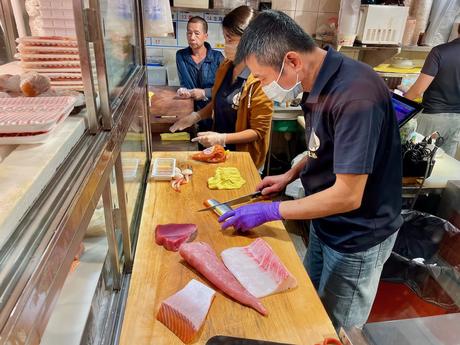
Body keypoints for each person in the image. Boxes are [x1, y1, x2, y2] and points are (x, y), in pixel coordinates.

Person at [219, 11, 403, 330]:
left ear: (291, 60)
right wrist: (289, 175)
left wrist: (272, 211)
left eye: (262, 78)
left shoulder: (354, 94)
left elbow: (348, 195)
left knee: (335, 328)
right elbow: (323, 147)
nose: (263, 88)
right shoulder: (315, 79)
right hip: (323, 222)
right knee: (308, 308)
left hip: (356, 235)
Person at [170, 6, 273, 171]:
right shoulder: (226, 66)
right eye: (225, 38)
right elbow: (218, 101)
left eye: (230, 39)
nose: (226, 45)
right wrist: (195, 116)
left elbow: (258, 131)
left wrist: (223, 138)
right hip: (220, 154)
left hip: (245, 158)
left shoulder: (262, 79)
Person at [405, 26, 460, 158]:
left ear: (458, 29)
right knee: (445, 163)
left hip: (433, 116)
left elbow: (418, 90)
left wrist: (398, 106)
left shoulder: (440, 52)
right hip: (457, 120)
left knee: (418, 159)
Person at [176, 16, 224, 132]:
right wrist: (183, 90)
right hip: (189, 111)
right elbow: (184, 82)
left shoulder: (217, 57)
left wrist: (204, 93)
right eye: (189, 33)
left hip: (213, 111)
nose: (192, 37)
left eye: (197, 33)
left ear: (205, 36)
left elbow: (224, 90)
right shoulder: (181, 56)